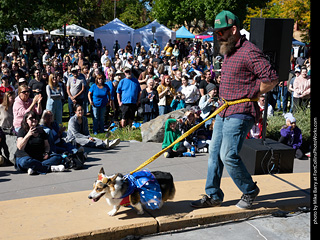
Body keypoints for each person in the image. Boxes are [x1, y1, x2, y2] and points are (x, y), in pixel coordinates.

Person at [191, 10, 278, 209]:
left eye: (221, 32)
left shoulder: (249, 50)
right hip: (224, 110)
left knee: (228, 155)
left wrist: (254, 92)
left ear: (234, 29)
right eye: (216, 33)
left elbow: (272, 77)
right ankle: (213, 195)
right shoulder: (229, 51)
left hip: (241, 112)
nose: (218, 36)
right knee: (214, 154)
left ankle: (249, 190)